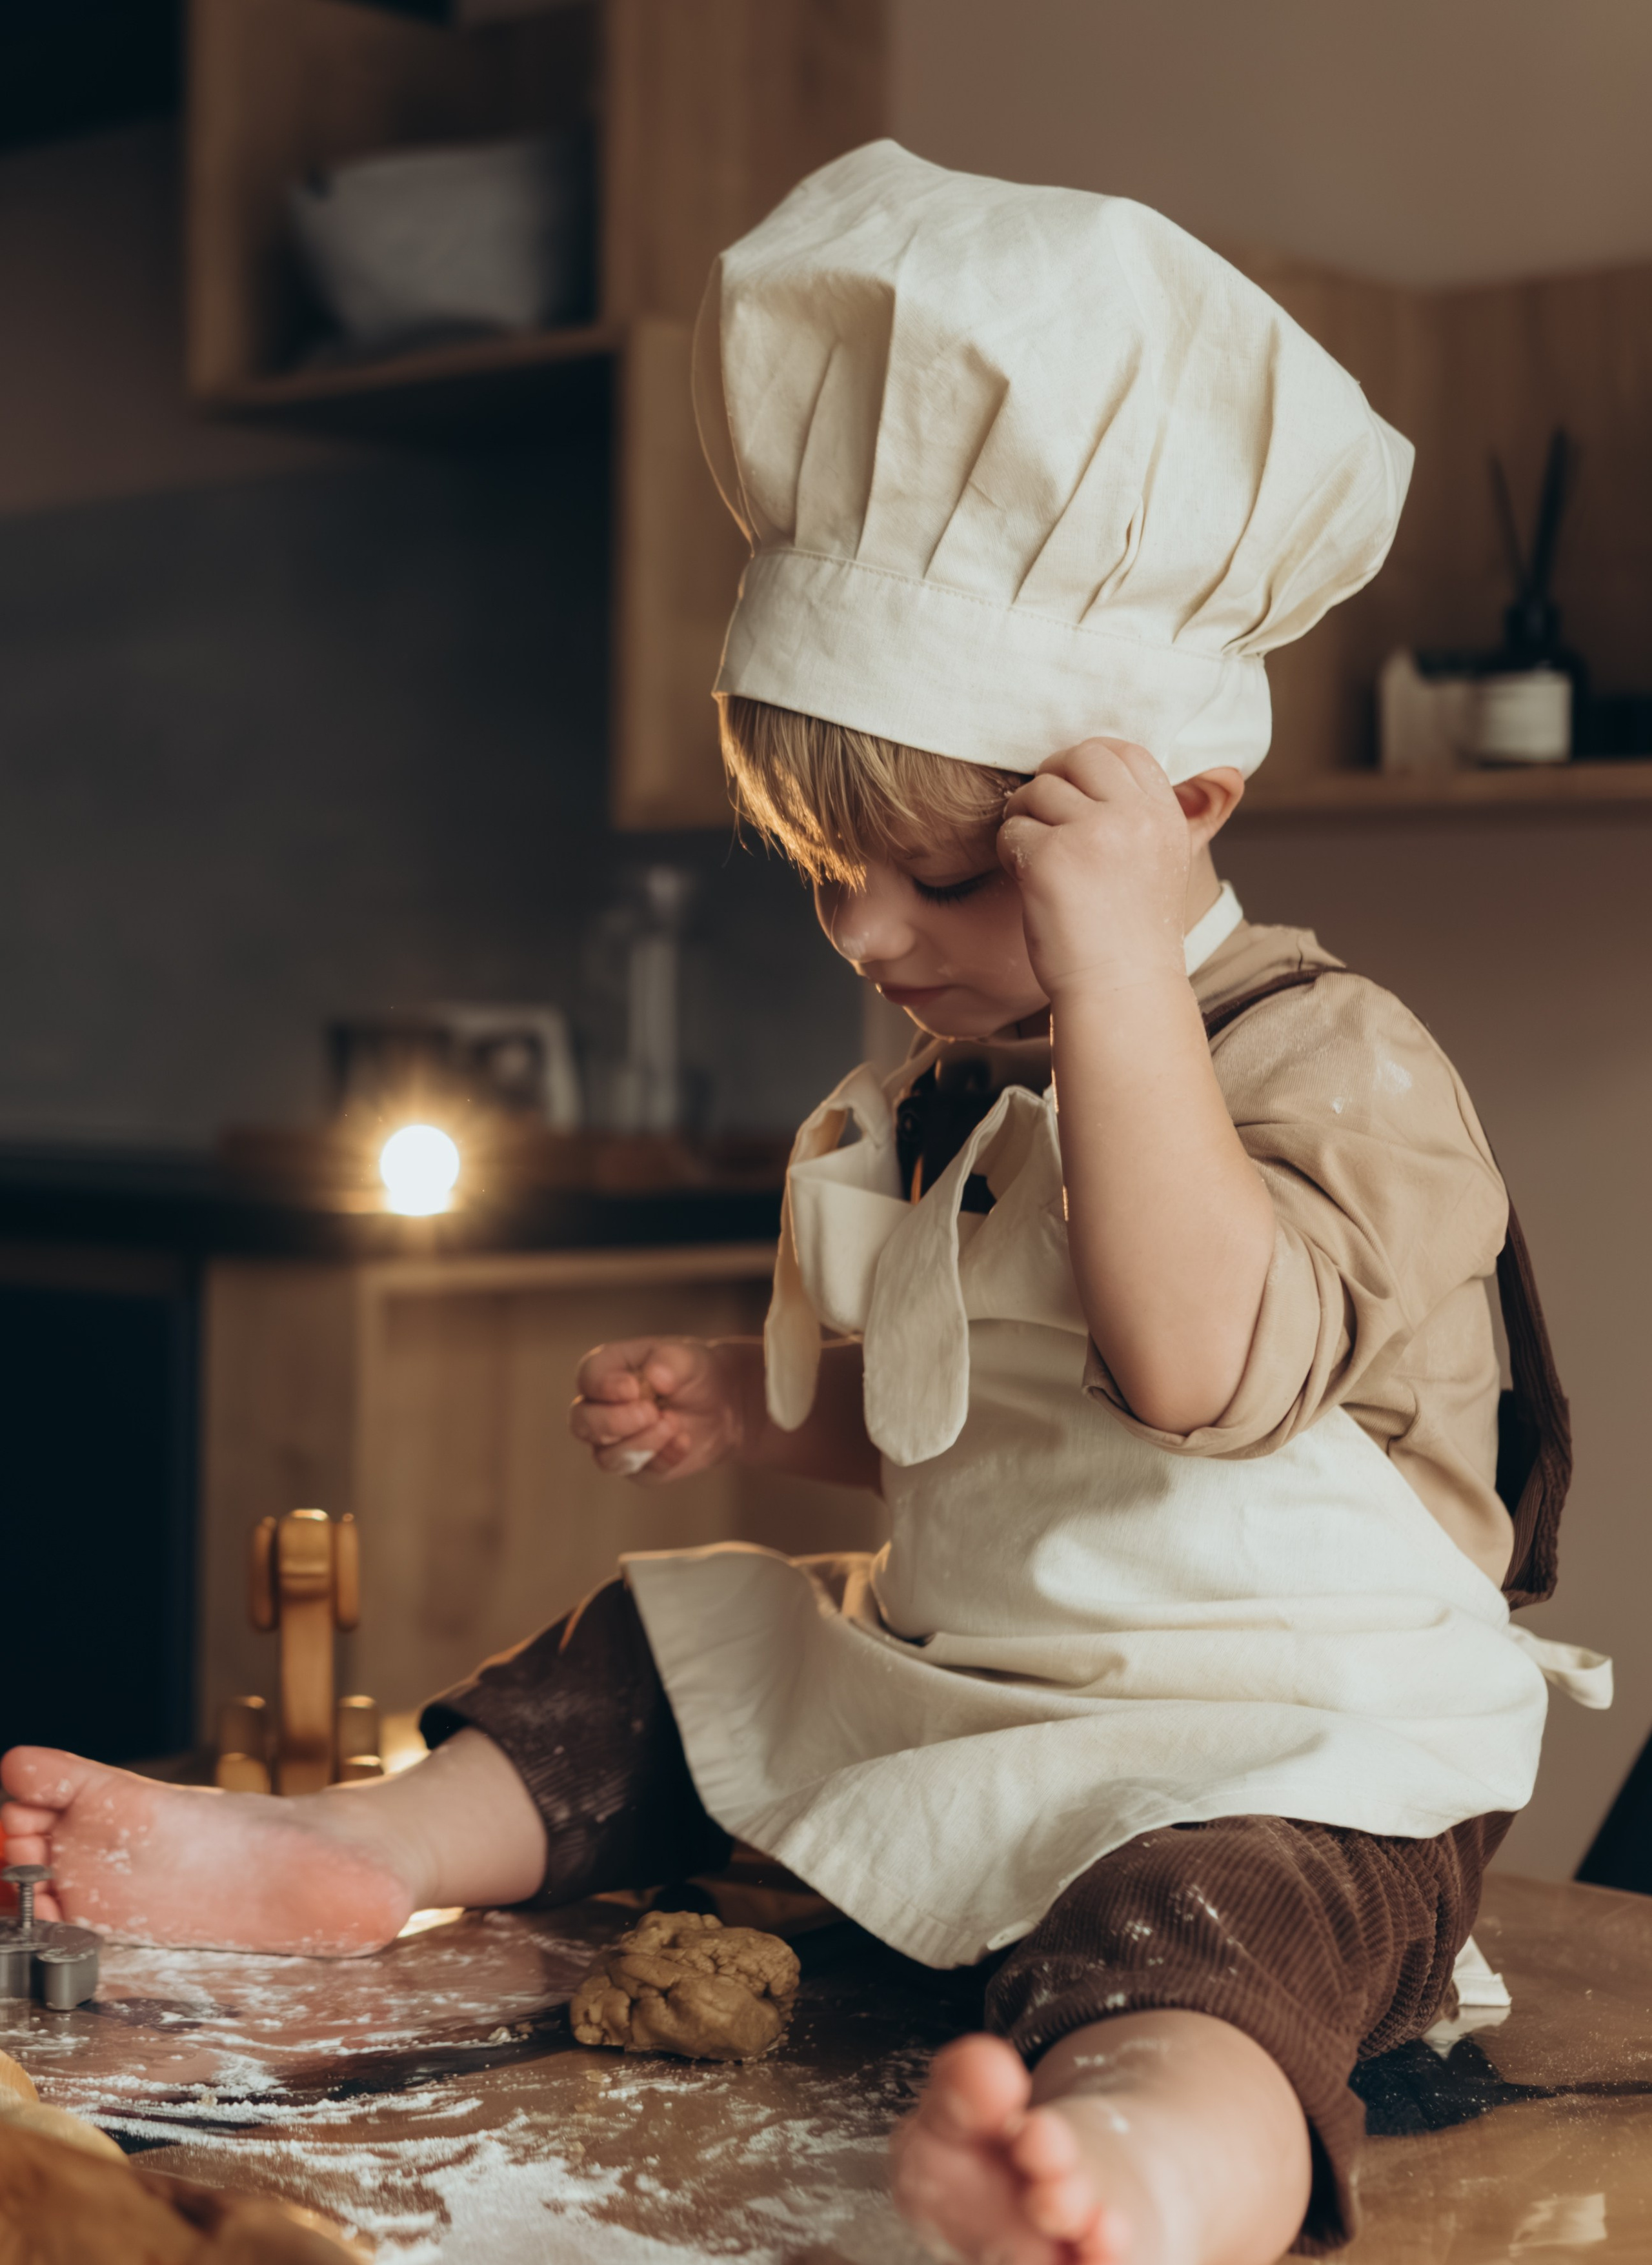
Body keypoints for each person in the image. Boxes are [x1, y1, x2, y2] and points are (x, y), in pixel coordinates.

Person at [1, 144, 1606, 2265]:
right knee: (668, 1646)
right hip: (984, 1675)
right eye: (824, 868)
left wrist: (1121, 976)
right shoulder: (967, 1081)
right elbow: (986, 1424)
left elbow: (1196, 1374)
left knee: (1197, 1948)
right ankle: (354, 1847)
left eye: (940, 877)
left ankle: (1125, 2173)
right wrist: (772, 1420)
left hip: (1283, 1756)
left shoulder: (1338, 1062)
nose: (865, 932)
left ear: (1176, 812)